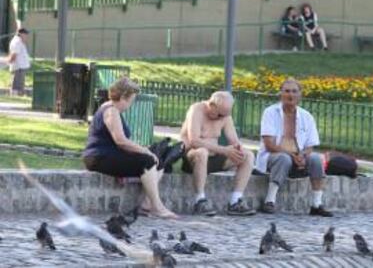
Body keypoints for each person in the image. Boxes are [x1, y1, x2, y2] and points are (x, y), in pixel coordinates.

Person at [83, 78, 177, 219]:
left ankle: (146, 205)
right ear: (122, 98)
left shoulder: (113, 110)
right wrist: (144, 151)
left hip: (109, 155)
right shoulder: (111, 111)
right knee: (147, 161)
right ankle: (158, 207)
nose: (131, 105)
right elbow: (120, 141)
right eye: (131, 100)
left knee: (160, 160)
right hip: (98, 157)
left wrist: (144, 149)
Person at [256, 78, 333, 217]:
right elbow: (269, 144)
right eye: (286, 91)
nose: (290, 95)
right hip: (274, 158)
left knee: (316, 158)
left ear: (299, 95)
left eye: (294, 91)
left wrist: (303, 155)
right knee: (283, 158)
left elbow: (310, 145)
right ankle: (270, 201)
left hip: (298, 157)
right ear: (281, 94)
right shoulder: (270, 112)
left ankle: (316, 204)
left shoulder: (306, 116)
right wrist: (292, 155)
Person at [180, 91, 256, 216]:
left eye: (225, 115)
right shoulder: (197, 110)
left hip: (215, 157)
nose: (222, 118)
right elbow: (194, 141)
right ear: (212, 105)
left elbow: (234, 140)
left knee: (248, 155)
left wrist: (238, 148)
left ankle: (235, 201)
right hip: (193, 157)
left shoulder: (225, 116)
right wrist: (224, 150)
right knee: (202, 152)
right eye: (220, 114)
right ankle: (199, 200)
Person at [7, 28, 31, 96]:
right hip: (18, 67)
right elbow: (14, 55)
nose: (26, 37)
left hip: (21, 67)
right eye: (25, 35)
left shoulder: (20, 42)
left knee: (20, 84)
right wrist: (10, 62)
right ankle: (15, 95)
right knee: (17, 84)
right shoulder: (17, 42)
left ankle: (19, 95)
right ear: (21, 34)